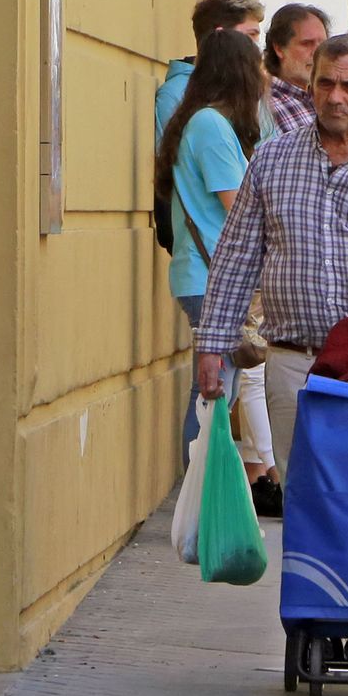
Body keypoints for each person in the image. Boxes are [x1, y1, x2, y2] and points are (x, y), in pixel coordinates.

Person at [197, 33, 348, 656]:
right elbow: (236, 257)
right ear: (310, 85)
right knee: (305, 497)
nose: (337, 96)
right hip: (292, 361)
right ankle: (316, 614)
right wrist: (211, 348)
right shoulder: (272, 162)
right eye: (326, 83)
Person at [155, 28, 264, 467]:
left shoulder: (197, 119)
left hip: (205, 273)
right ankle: (200, 502)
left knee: (218, 392)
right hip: (213, 277)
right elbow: (240, 208)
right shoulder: (212, 126)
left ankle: (203, 499)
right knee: (211, 395)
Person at [157, 0, 265, 137]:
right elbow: (170, 157)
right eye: (250, 35)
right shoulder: (174, 94)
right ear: (221, 36)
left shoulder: (246, 90)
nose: (257, 47)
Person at [264, 2, 330, 132]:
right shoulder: (264, 107)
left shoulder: (329, 99)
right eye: (307, 44)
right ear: (279, 49)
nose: (317, 52)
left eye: (322, 44)